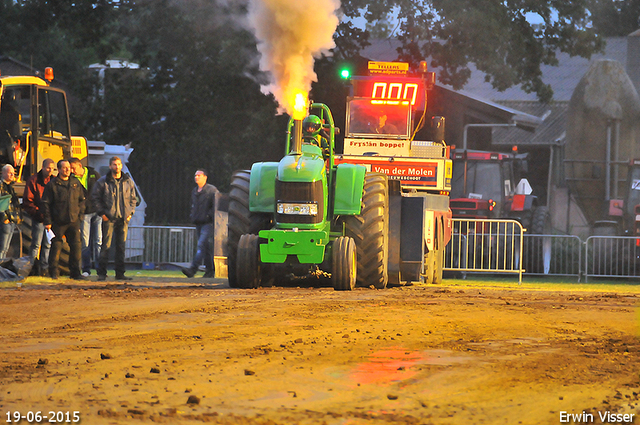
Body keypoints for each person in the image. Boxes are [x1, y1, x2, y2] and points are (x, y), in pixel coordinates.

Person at [92, 156, 137, 281]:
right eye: (114, 164)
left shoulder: (128, 181)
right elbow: (95, 198)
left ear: (121, 165)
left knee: (121, 247)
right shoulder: (103, 181)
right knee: (105, 246)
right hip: (109, 218)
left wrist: (130, 213)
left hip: (123, 219)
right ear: (110, 166)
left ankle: (120, 274)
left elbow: (133, 199)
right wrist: (102, 214)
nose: (117, 167)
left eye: (118, 164)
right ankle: (101, 273)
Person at [42, 159, 85, 280]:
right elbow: (45, 203)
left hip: (74, 221)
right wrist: (48, 221)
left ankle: (75, 273)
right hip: (58, 221)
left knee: (76, 247)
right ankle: (54, 273)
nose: (68, 170)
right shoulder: (53, 185)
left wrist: (80, 216)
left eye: (69, 168)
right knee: (56, 247)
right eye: (65, 168)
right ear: (59, 169)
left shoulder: (75, 183)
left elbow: (82, 200)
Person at [69, 157, 101, 277]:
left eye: (73, 167)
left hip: (97, 212)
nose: (71, 170)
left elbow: (102, 190)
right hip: (84, 214)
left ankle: (100, 269)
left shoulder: (94, 174)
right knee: (85, 242)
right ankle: (86, 269)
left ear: (79, 165)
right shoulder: (72, 179)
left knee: (98, 241)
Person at [182, 169, 218, 278]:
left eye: (199, 175)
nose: (196, 177)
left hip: (208, 223)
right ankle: (210, 271)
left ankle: (193, 269)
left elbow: (216, 205)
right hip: (198, 222)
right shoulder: (194, 191)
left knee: (201, 245)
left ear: (205, 177)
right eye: (195, 175)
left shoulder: (212, 190)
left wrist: (209, 216)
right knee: (206, 248)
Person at [23, 158, 56, 275]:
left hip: (50, 219)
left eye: (52, 168)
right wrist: (39, 213)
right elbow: (28, 201)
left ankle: (44, 269)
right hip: (38, 218)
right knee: (36, 244)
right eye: (48, 168)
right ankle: (31, 268)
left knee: (47, 244)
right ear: (42, 167)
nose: (50, 170)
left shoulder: (54, 181)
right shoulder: (33, 181)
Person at [0, 164, 21, 259]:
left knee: (6, 247)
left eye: (13, 173)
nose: (12, 175)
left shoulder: (10, 187)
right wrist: (4, 218)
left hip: (12, 219)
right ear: (3, 173)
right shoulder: (1, 186)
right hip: (5, 221)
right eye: (10, 173)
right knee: (2, 247)